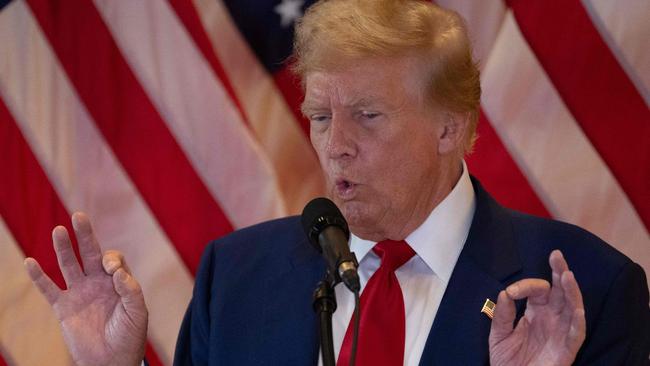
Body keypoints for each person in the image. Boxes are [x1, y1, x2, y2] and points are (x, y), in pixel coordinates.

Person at [24, 0, 649, 365]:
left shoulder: (586, 291)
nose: (335, 144)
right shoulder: (237, 276)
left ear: (449, 129)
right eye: (321, 117)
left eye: (367, 116)